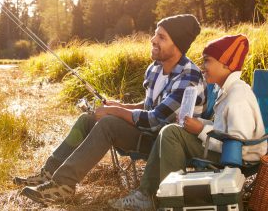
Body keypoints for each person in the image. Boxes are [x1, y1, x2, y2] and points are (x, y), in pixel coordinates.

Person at [14, 14, 205, 204]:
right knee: (87, 119)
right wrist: (119, 105)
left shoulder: (189, 76)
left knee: (108, 124)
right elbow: (148, 107)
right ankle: (48, 173)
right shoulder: (155, 68)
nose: (153, 40)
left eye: (162, 37)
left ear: (178, 45)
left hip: (163, 144)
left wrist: (115, 112)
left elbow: (155, 120)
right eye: (156, 34)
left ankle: (61, 187)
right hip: (147, 132)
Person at [110, 34, 268, 210]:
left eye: (207, 61)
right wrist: (199, 123)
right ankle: (148, 194)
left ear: (226, 64)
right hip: (227, 149)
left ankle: (168, 200)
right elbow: (224, 130)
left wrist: (200, 129)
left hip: (239, 159)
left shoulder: (237, 97)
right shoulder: (228, 90)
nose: (202, 67)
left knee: (171, 134)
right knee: (171, 131)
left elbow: (236, 144)